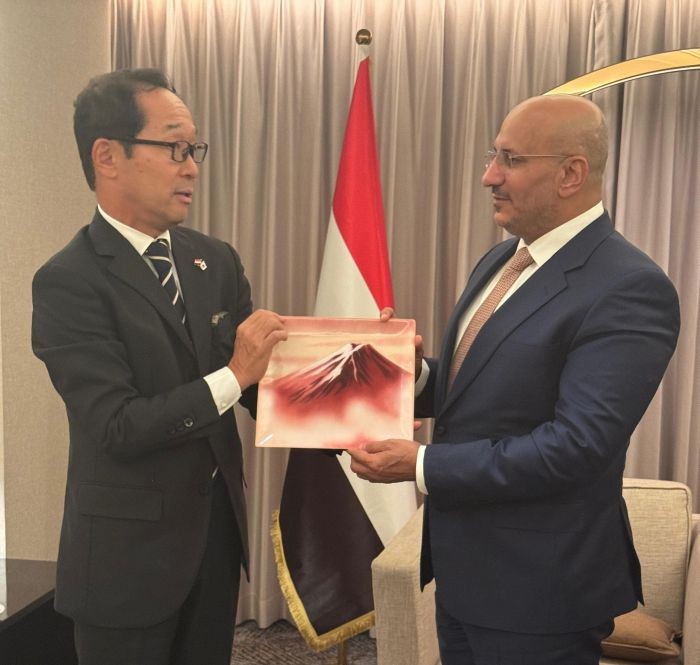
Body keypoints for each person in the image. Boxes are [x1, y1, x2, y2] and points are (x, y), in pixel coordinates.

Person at [348, 95, 680, 665]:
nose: (489, 177)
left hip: (541, 592)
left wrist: (422, 465)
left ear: (571, 173)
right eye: (492, 155)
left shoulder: (628, 286)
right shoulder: (500, 261)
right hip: (462, 573)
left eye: (511, 160)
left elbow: (576, 446)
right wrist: (408, 373)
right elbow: (477, 390)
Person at [31, 68, 287, 665]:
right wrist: (234, 376)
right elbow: (118, 425)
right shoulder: (69, 281)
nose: (191, 167)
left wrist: (364, 379)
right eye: (175, 148)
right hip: (125, 564)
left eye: (194, 149)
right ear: (107, 156)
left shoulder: (214, 261)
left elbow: (263, 384)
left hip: (214, 545)